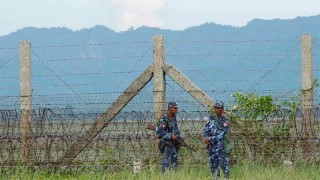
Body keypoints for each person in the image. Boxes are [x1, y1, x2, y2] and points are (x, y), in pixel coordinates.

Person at [203, 101, 231, 179]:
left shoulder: (225, 121)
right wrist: (205, 138)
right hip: (211, 147)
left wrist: (210, 139)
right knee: (213, 167)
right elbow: (206, 130)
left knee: (224, 166)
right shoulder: (211, 119)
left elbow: (222, 134)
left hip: (221, 148)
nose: (216, 110)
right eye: (215, 108)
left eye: (218, 108)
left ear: (222, 109)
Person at [156, 101, 180, 173]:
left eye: (177, 108)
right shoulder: (164, 119)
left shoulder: (174, 118)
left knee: (175, 163)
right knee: (166, 163)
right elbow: (159, 131)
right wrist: (170, 136)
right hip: (167, 144)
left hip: (174, 144)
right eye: (175, 108)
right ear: (170, 108)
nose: (176, 110)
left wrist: (179, 140)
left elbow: (176, 130)